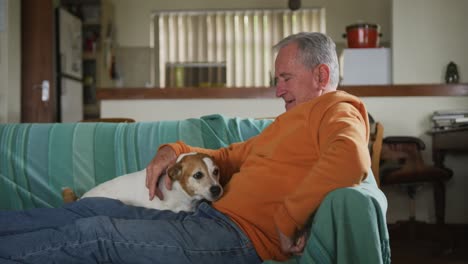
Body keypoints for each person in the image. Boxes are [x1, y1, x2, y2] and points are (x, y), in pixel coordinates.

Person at [0, 32, 371, 263]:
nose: (278, 89)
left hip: (236, 238)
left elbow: (352, 158)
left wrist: (289, 220)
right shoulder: (286, 124)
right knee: (92, 209)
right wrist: (172, 149)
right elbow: (225, 157)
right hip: (206, 219)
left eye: (286, 78)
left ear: (321, 75)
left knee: (96, 233)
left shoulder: (337, 110)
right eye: (278, 79)